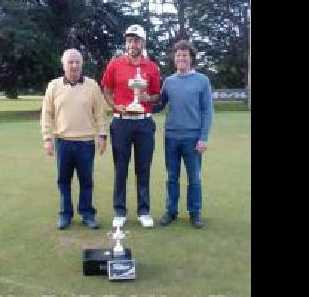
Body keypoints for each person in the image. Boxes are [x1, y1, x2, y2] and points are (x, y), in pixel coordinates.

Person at [101, 25, 163, 228]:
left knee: (143, 168)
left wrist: (147, 97)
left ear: (143, 42)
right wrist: (115, 105)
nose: (132, 44)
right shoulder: (115, 65)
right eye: (129, 40)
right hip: (121, 123)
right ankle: (119, 210)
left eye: (136, 40)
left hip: (144, 122)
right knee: (121, 168)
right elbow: (107, 91)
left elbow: (156, 95)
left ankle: (144, 211)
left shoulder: (152, 67)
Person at [41, 48, 108, 230]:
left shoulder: (92, 85)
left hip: (86, 142)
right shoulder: (53, 86)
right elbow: (47, 114)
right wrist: (47, 138)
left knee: (86, 181)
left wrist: (102, 135)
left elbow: (100, 113)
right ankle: (65, 214)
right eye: (70, 62)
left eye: (77, 61)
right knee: (64, 181)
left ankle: (87, 213)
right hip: (63, 141)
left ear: (82, 64)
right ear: (63, 64)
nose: (74, 65)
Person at [152, 40, 213, 228]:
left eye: (185, 55)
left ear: (191, 58)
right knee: (172, 177)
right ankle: (171, 211)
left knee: (194, 177)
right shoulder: (168, 82)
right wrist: (139, 99)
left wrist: (203, 137)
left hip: (193, 138)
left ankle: (195, 212)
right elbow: (159, 105)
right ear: (174, 58)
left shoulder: (202, 81)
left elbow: (207, 111)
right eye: (178, 55)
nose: (181, 58)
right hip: (171, 137)